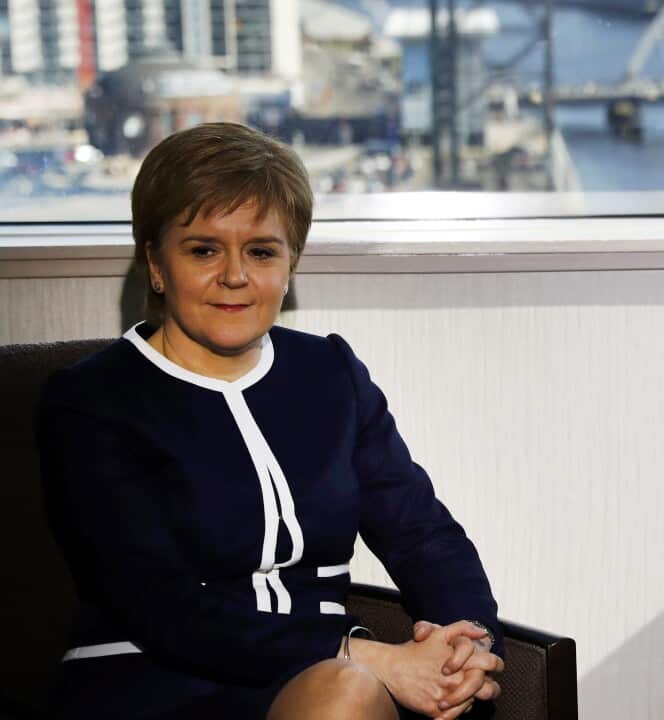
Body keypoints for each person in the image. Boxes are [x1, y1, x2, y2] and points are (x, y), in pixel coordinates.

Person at [39, 122, 505, 719]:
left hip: (322, 684)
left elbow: (423, 534)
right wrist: (368, 657)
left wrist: (467, 646)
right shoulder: (91, 401)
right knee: (347, 691)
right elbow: (158, 605)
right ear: (156, 264)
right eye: (203, 249)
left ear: (290, 265)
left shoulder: (330, 373)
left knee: (346, 691)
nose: (235, 275)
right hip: (152, 680)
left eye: (261, 251)